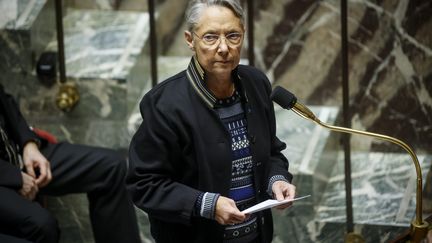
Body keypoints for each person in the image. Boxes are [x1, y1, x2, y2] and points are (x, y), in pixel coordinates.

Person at [127, 0, 296, 242]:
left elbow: (271, 153)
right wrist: (206, 204)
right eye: (210, 37)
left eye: (233, 36)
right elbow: (144, 184)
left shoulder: (256, 84)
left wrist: (277, 179)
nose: (224, 47)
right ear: (189, 40)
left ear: (244, 36)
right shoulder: (165, 104)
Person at [0, 83, 142, 243]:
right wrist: (15, 177)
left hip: (17, 150)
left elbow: (4, 99)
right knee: (42, 224)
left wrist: (28, 143)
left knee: (111, 166)